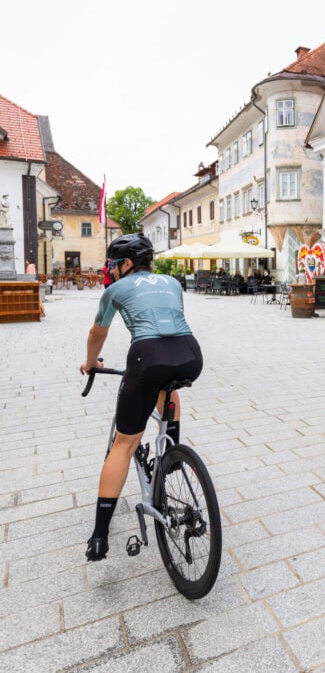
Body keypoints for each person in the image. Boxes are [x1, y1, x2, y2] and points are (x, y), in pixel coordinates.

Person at [79, 234, 203, 561]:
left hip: (147, 357)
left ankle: (99, 536)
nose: (110, 269)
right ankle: (171, 451)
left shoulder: (114, 290)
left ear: (127, 263)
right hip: (190, 354)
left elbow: (97, 333)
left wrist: (91, 364)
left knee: (124, 443)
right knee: (168, 385)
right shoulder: (172, 282)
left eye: (113, 264)